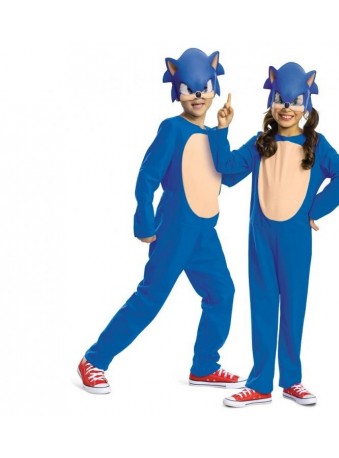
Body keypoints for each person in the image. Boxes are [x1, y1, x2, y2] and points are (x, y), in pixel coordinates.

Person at [77, 48, 247, 394]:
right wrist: (144, 220)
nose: (197, 96)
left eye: (204, 88)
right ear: (177, 90)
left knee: (222, 293)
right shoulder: (171, 129)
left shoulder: (212, 134)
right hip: (173, 231)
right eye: (189, 89)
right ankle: (94, 359)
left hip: (205, 233)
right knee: (151, 298)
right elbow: (147, 177)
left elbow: (226, 175)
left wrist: (229, 133)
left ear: (214, 89)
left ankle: (204, 366)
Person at [207, 62, 339, 407]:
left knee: (293, 307)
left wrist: (315, 210)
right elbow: (227, 172)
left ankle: (292, 380)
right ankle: (260, 383)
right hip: (261, 238)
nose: (287, 108)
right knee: (262, 307)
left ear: (306, 103)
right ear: (271, 100)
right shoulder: (261, 143)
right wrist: (221, 130)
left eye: (295, 101)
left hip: (295, 240)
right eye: (280, 100)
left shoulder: (316, 144)